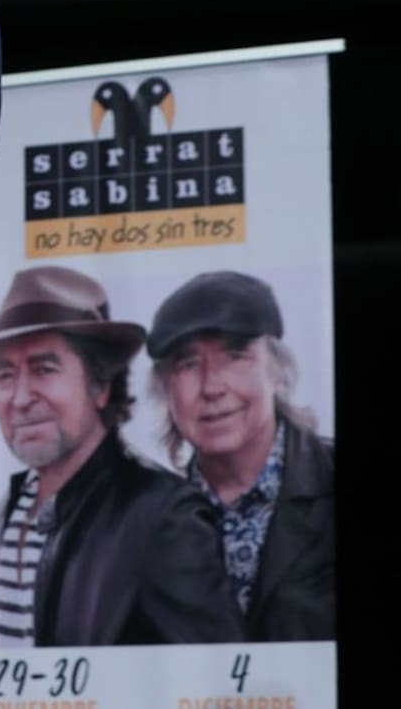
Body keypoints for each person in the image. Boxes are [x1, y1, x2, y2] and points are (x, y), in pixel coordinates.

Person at [0, 265, 243, 647]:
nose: (20, 398)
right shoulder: (16, 500)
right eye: (4, 376)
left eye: (44, 369)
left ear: (101, 386)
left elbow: (211, 670)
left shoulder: (166, 517)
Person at [146, 270, 335, 642]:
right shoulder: (145, 522)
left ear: (277, 372)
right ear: (166, 390)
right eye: (187, 364)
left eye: (235, 356)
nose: (211, 387)